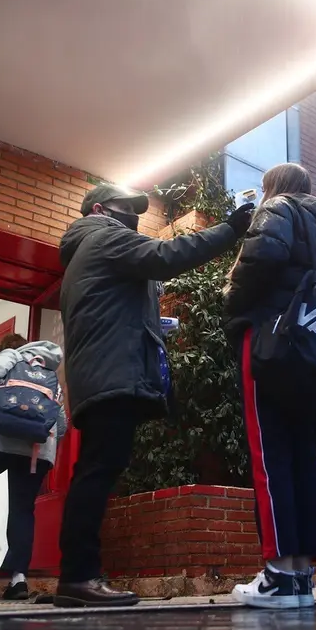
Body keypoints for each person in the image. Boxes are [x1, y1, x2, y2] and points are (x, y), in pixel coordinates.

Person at [56, 183, 251, 607]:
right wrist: (231, 229)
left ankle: (78, 575)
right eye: (128, 209)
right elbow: (166, 258)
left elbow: (111, 312)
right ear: (101, 208)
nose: (135, 217)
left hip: (101, 372)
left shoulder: (86, 251)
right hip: (112, 374)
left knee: (96, 469)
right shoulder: (103, 235)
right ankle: (78, 577)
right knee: (97, 472)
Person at [222, 163, 316, 610]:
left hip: (269, 340)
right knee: (302, 456)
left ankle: (277, 577)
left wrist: (231, 302)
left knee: (268, 457)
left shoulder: (277, 209)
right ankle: (302, 575)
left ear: (272, 187)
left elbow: (260, 260)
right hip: (308, 354)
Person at [0, 333, 67, 600]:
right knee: (22, 510)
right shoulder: (49, 369)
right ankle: (19, 578)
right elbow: (63, 423)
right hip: (39, 449)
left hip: (3, 438)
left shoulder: (10, 356)